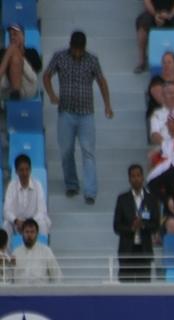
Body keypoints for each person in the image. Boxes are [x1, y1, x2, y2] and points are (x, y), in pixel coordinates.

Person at [42, 31, 114, 205]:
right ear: (71, 46)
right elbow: (46, 75)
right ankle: (71, 184)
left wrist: (107, 105)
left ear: (84, 47)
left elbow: (101, 81)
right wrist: (51, 94)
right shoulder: (60, 57)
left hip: (86, 114)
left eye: (80, 50)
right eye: (75, 49)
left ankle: (90, 191)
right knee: (66, 150)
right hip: (66, 112)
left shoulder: (92, 60)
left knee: (88, 152)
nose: (77, 53)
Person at [113, 164, 161, 282]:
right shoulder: (122, 199)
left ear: (143, 177)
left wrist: (143, 225)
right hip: (127, 250)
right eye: (133, 176)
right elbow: (116, 226)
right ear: (129, 179)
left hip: (144, 250)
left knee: (144, 289)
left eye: (138, 175)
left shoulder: (151, 199)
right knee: (125, 288)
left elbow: (156, 225)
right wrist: (132, 228)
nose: (136, 179)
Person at [135, 0, 174, 73]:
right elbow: (147, 2)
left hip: (173, 13)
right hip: (154, 13)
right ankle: (142, 60)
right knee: (142, 25)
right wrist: (155, 15)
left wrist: (170, 15)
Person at [4, 155, 51, 237]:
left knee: (43, 223)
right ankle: (7, 250)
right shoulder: (12, 186)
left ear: (30, 170)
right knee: (6, 225)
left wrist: (29, 223)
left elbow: (42, 210)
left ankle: (42, 249)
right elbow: (7, 210)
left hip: (34, 222)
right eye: (21, 170)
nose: (25, 173)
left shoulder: (37, 185)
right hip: (17, 223)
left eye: (27, 169)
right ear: (16, 171)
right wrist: (16, 221)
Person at [9, 218, 62, 284]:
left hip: (41, 292)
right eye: (27, 232)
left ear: (37, 234)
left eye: (32, 232)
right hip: (20, 292)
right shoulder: (16, 253)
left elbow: (57, 275)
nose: (29, 235)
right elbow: (10, 277)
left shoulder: (46, 251)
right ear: (22, 233)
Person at [0, 23, 42, 100]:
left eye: (15, 34)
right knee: (12, 53)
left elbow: (37, 69)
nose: (12, 37)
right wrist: (8, 54)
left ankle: (16, 92)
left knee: (15, 55)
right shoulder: (3, 52)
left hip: (28, 87)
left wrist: (17, 53)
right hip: (7, 89)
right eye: (10, 35)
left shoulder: (31, 51)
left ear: (23, 36)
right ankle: (15, 92)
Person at [146, 50, 174, 119]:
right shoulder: (156, 81)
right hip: (158, 115)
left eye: (169, 62)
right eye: (164, 62)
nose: (166, 65)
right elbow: (164, 102)